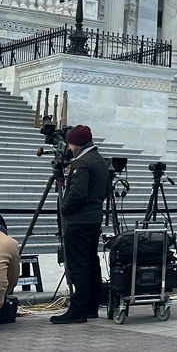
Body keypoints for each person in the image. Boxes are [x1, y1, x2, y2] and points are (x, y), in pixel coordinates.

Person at [52, 125, 107, 324]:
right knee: (91, 261)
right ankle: (91, 306)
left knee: (78, 264)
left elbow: (77, 193)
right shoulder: (99, 160)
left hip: (79, 220)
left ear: (76, 143)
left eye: (71, 143)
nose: (69, 147)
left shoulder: (81, 163)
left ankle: (78, 309)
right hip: (94, 218)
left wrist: (64, 209)